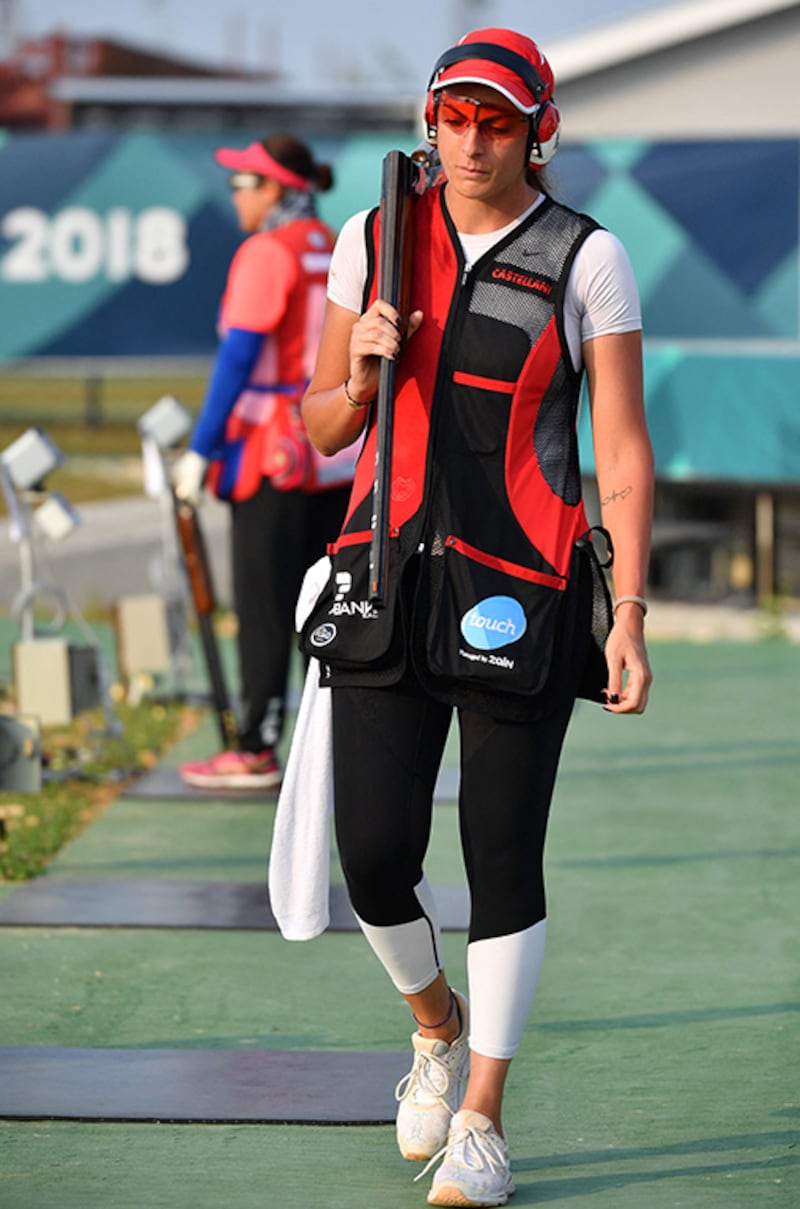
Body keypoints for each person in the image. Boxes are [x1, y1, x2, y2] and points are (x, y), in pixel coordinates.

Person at [300, 27, 654, 1208]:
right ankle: (433, 1030)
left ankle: (484, 1119)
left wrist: (630, 611)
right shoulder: (371, 239)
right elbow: (318, 429)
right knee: (373, 861)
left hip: (524, 594)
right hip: (385, 583)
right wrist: (355, 370)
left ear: (536, 129)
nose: (467, 140)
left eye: (493, 120)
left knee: (500, 859)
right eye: (451, 116)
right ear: (426, 120)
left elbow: (621, 449)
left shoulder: (586, 258)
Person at [174, 134, 353, 791]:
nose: (236, 196)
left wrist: (201, 447)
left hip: (274, 452)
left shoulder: (264, 252)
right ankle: (328, 749)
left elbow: (238, 358)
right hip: (336, 452)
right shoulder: (334, 243)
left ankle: (254, 745)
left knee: (266, 603)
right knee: (328, 607)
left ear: (276, 189)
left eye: (245, 184)